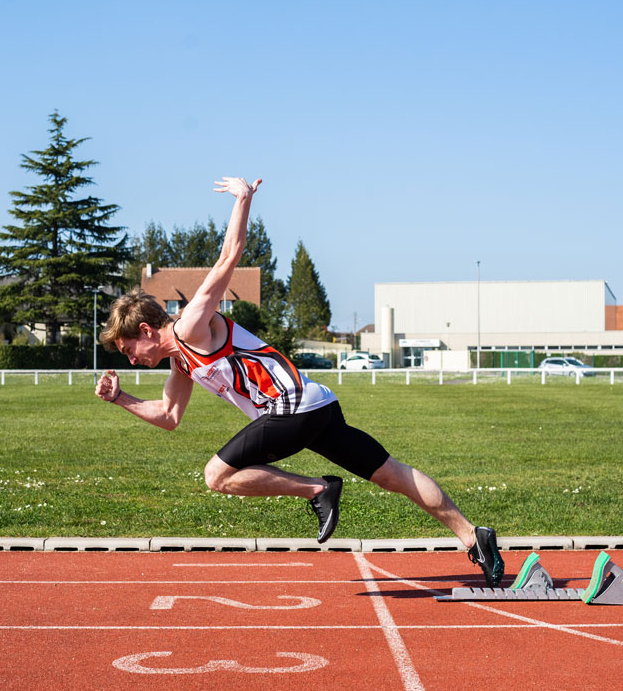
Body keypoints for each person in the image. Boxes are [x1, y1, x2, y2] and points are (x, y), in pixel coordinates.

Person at [95, 176, 503, 587]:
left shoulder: (189, 327)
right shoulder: (181, 362)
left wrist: (242, 199)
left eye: (128, 348)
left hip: (292, 408)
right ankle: (474, 537)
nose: (129, 358)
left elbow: (227, 259)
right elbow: (168, 416)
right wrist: (120, 398)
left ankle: (319, 490)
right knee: (390, 474)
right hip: (315, 407)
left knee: (216, 475)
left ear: (147, 330)